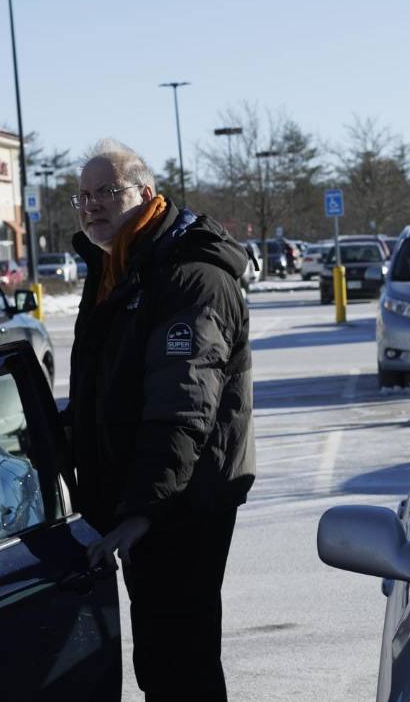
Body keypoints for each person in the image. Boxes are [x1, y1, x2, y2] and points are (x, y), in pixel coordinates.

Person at [66, 138, 254, 700]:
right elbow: (109, 389)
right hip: (144, 500)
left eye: (107, 191)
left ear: (145, 193)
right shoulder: (119, 269)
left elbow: (183, 405)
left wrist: (144, 510)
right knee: (163, 659)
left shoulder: (189, 276)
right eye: (83, 195)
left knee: (180, 664)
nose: (92, 204)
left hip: (180, 504)